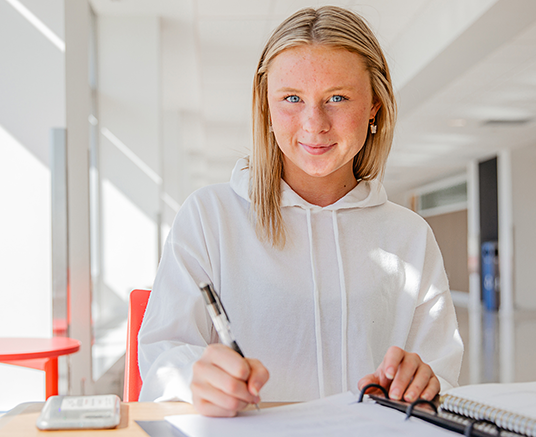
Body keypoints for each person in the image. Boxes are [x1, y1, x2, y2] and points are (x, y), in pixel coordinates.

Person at [137, 6, 463, 417]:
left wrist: (424, 381)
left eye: (337, 98)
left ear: (375, 106)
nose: (314, 123)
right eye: (292, 98)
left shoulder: (410, 236)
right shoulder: (209, 216)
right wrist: (194, 378)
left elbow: (442, 376)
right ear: (266, 108)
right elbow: (161, 356)